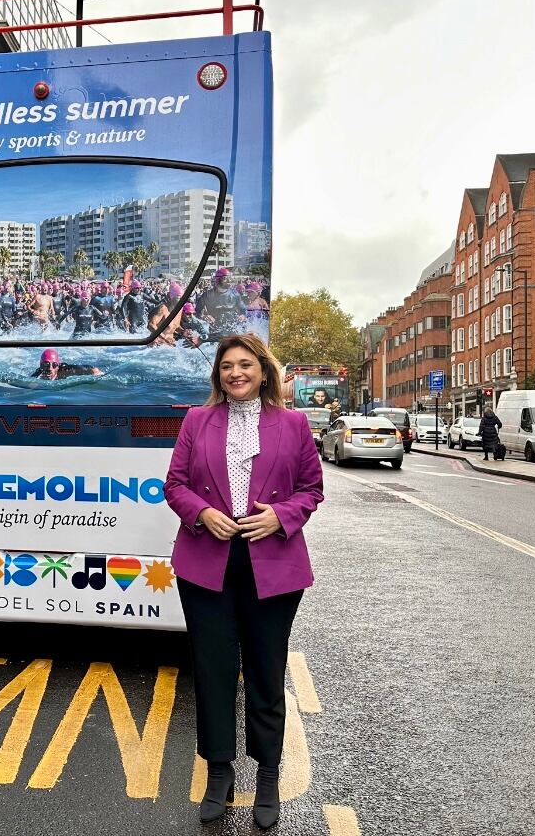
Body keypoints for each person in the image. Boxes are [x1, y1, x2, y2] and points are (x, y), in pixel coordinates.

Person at [163, 334, 324, 830]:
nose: (236, 373)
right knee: (211, 672)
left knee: (265, 671)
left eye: (245, 364)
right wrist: (202, 513)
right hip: (206, 562)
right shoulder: (196, 420)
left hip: (271, 565)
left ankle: (269, 776)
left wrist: (280, 516)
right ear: (219, 374)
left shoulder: (294, 424)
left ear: (263, 370)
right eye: (228, 366)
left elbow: (311, 489)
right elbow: (175, 485)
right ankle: (218, 774)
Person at [31, 348, 103, 380]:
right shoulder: (37, 375)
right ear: (41, 364)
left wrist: (96, 373)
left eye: (54, 365)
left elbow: (91, 369)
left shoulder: (66, 370)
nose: (50, 368)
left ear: (58, 366)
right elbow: (31, 386)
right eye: (46, 364)